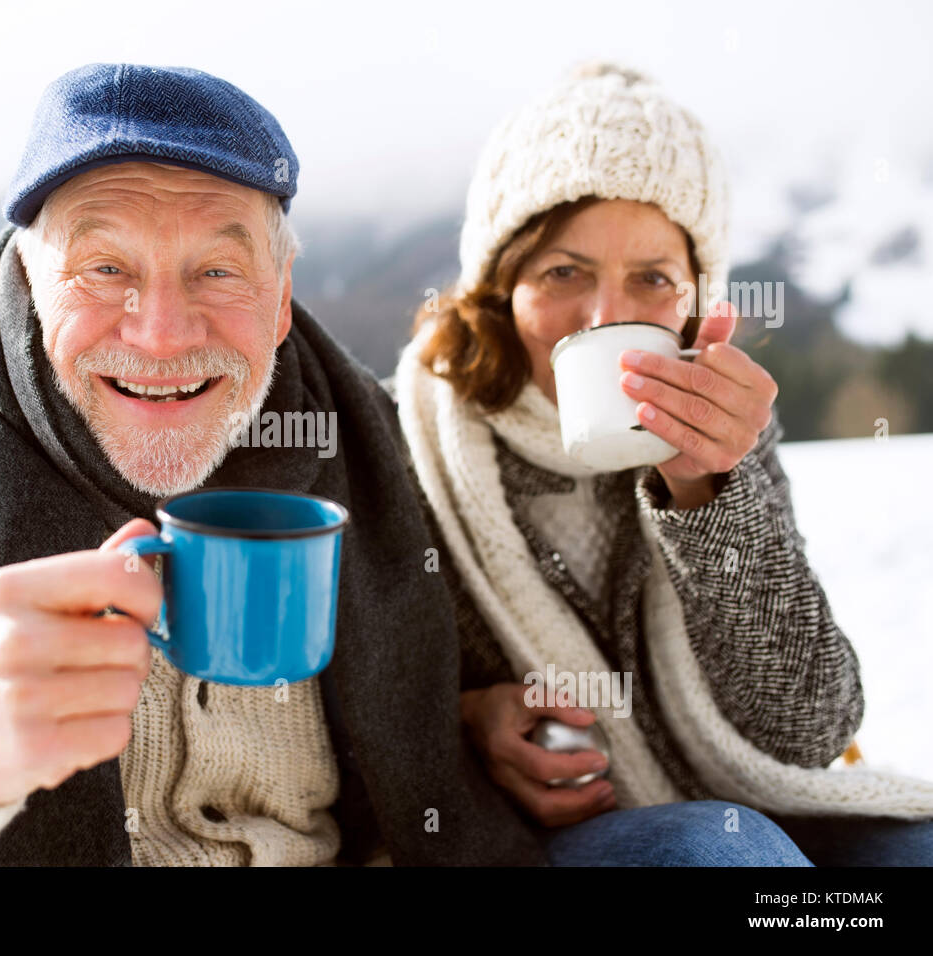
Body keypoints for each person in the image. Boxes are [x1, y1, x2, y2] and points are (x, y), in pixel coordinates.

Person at [0, 63, 544, 867]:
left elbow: (482, 671)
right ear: (30, 287)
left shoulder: (368, 449)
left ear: (280, 298)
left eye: (217, 270)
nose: (163, 333)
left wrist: (472, 718)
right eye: (106, 270)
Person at [393, 61, 933, 865]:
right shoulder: (412, 441)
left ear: (694, 301)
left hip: (749, 806)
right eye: (562, 272)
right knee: (727, 853)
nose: (605, 318)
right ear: (500, 289)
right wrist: (472, 720)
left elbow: (812, 727)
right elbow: (361, 712)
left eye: (652, 279)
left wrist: (708, 491)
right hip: (532, 840)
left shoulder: (726, 430)